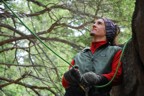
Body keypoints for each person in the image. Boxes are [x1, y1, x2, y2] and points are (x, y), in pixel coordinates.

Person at [62, 18, 122, 96]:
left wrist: (98, 78)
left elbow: (117, 75)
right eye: (94, 23)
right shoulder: (79, 55)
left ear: (107, 30)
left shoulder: (115, 51)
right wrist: (67, 77)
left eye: (99, 23)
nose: (94, 25)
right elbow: (65, 84)